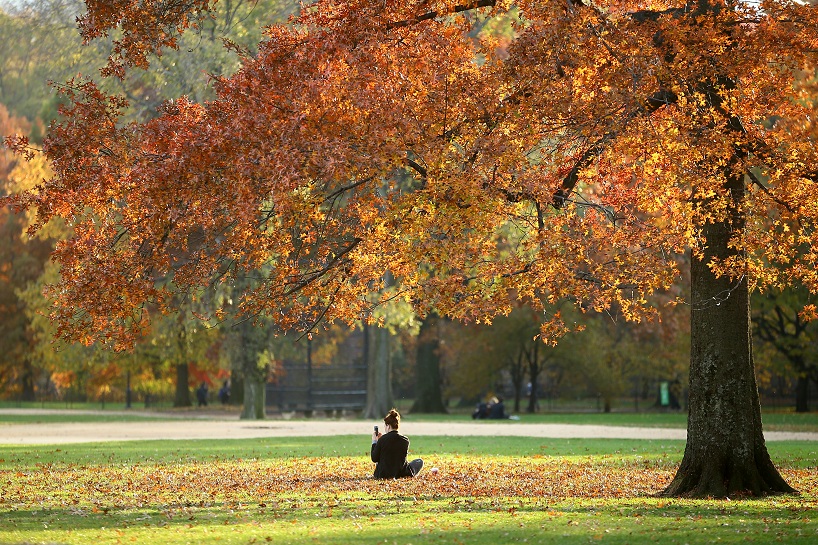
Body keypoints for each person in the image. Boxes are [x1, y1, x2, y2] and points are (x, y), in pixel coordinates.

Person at [371, 408, 423, 478]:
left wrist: (375, 442)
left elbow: (374, 458)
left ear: (388, 426)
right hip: (401, 473)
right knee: (419, 461)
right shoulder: (405, 440)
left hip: (383, 474)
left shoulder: (383, 439)